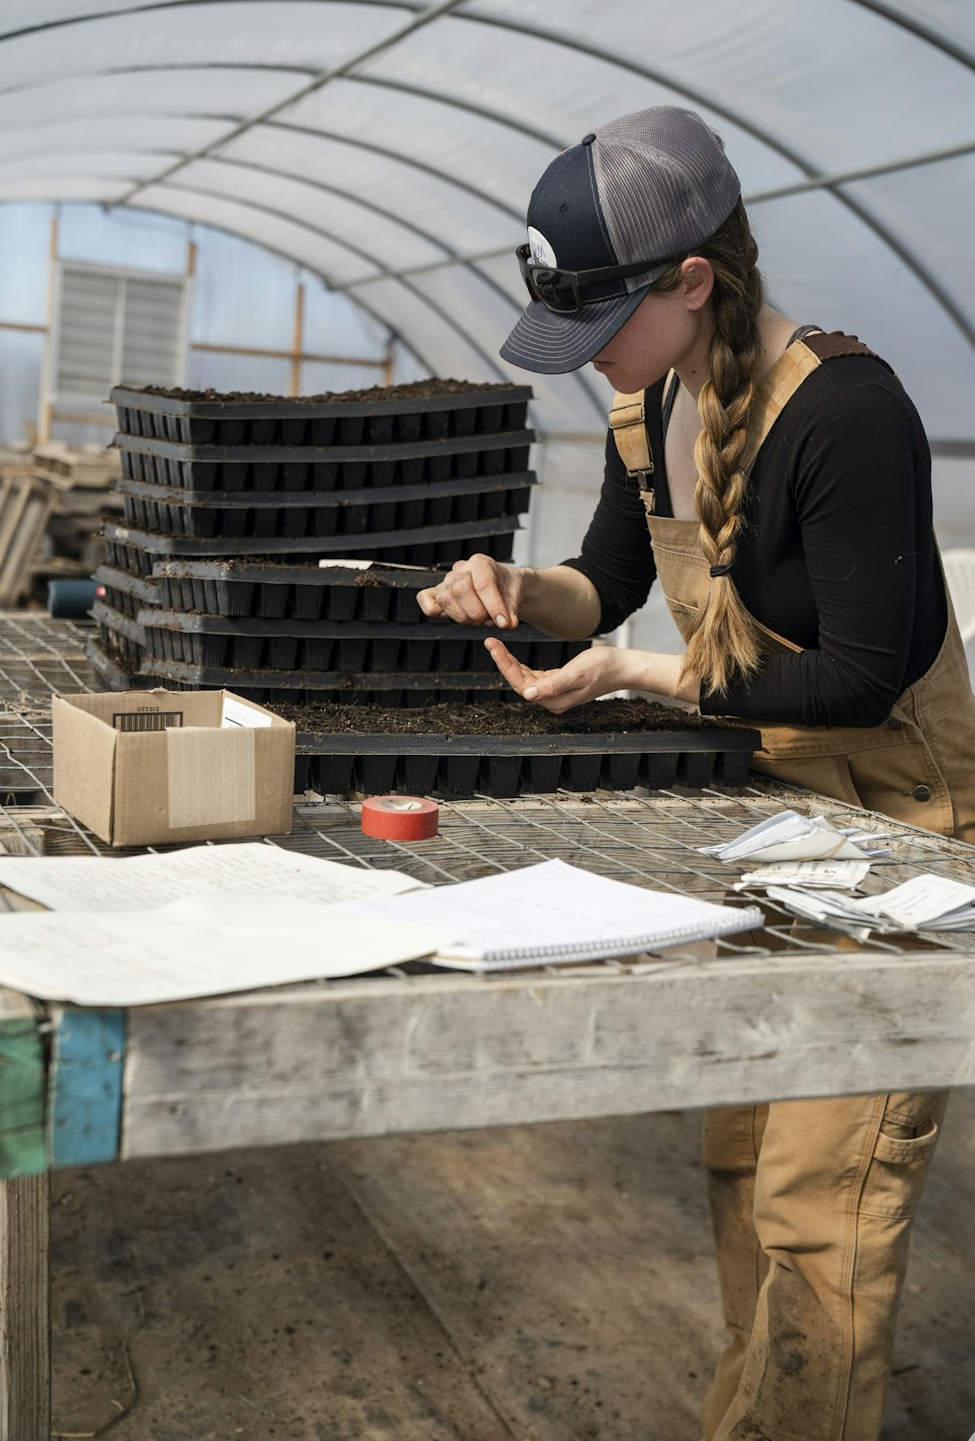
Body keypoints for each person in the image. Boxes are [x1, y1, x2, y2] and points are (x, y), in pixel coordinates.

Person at [416, 105, 975, 1441]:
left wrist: (628, 673)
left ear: (691, 280)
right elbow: (600, 586)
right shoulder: (650, 398)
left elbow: (856, 676)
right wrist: (513, 589)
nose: (589, 360)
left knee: (821, 1205)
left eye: (601, 321)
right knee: (748, 1158)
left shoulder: (847, 411)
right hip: (778, 827)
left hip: (906, 843)